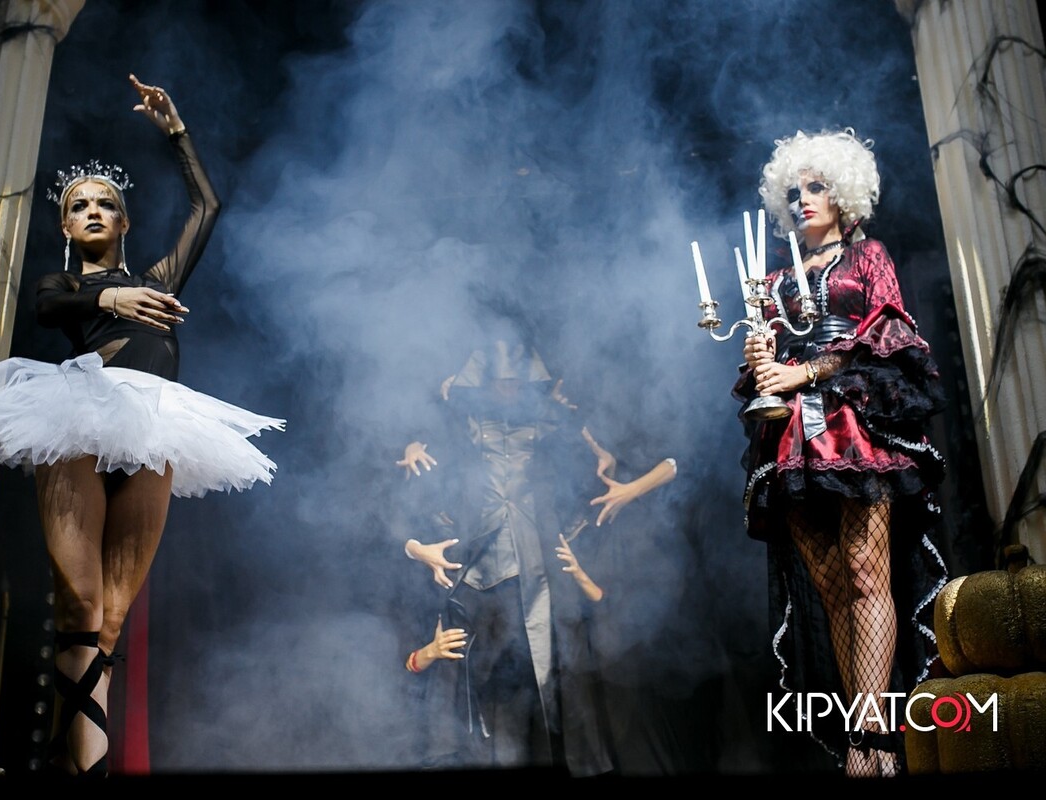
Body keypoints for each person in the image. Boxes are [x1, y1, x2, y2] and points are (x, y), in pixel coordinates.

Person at [0, 75, 284, 776]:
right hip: (80, 414)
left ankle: (77, 763)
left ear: (124, 222)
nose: (92, 211)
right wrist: (111, 298)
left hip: (154, 424)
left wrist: (176, 132)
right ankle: (83, 765)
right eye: (78, 206)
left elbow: (208, 206)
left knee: (110, 619)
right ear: (65, 227)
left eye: (104, 203)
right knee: (80, 603)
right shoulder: (64, 284)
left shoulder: (162, 280)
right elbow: (47, 308)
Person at [736, 129, 946, 777]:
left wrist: (805, 370)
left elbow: (885, 329)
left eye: (817, 186)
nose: (803, 199)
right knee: (831, 589)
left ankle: (870, 741)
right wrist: (761, 357)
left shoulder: (868, 256)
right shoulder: (772, 282)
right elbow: (768, 364)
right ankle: (869, 747)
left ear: (844, 194)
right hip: (792, 437)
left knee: (864, 575)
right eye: (794, 191)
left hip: (856, 423)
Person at [395, 334, 676, 775]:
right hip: (476, 570)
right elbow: (401, 503)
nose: (508, 389)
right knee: (471, 684)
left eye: (516, 382)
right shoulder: (458, 422)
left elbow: (614, 462)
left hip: (540, 565)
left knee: (556, 683)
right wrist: (415, 448)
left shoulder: (553, 422)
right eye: (500, 382)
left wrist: (605, 465)